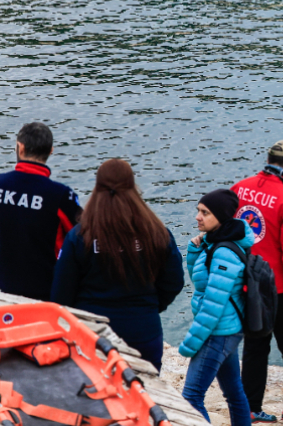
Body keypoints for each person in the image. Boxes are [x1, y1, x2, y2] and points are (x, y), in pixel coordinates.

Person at [51, 159, 184, 372]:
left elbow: (61, 294)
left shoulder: (79, 237)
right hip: (144, 332)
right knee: (146, 397)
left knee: (97, 398)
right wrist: (149, 307)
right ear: (133, 187)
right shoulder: (157, 233)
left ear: (97, 188)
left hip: (93, 334)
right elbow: (174, 281)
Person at [233, 141, 283, 426]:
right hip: (280, 288)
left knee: (255, 347)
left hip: (247, 283)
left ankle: (251, 408)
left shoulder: (239, 189)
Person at [180, 189, 253, 426]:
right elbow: (199, 283)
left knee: (190, 397)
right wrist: (194, 249)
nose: (197, 217)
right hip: (227, 329)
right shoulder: (214, 242)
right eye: (198, 210)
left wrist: (190, 343)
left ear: (220, 217)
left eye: (205, 213)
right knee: (234, 393)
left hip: (218, 332)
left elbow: (212, 305)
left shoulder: (224, 253)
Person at [0, 122, 82, 300]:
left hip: (7, 284)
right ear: (50, 151)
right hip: (48, 290)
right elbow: (84, 234)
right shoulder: (60, 195)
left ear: (20, 148)